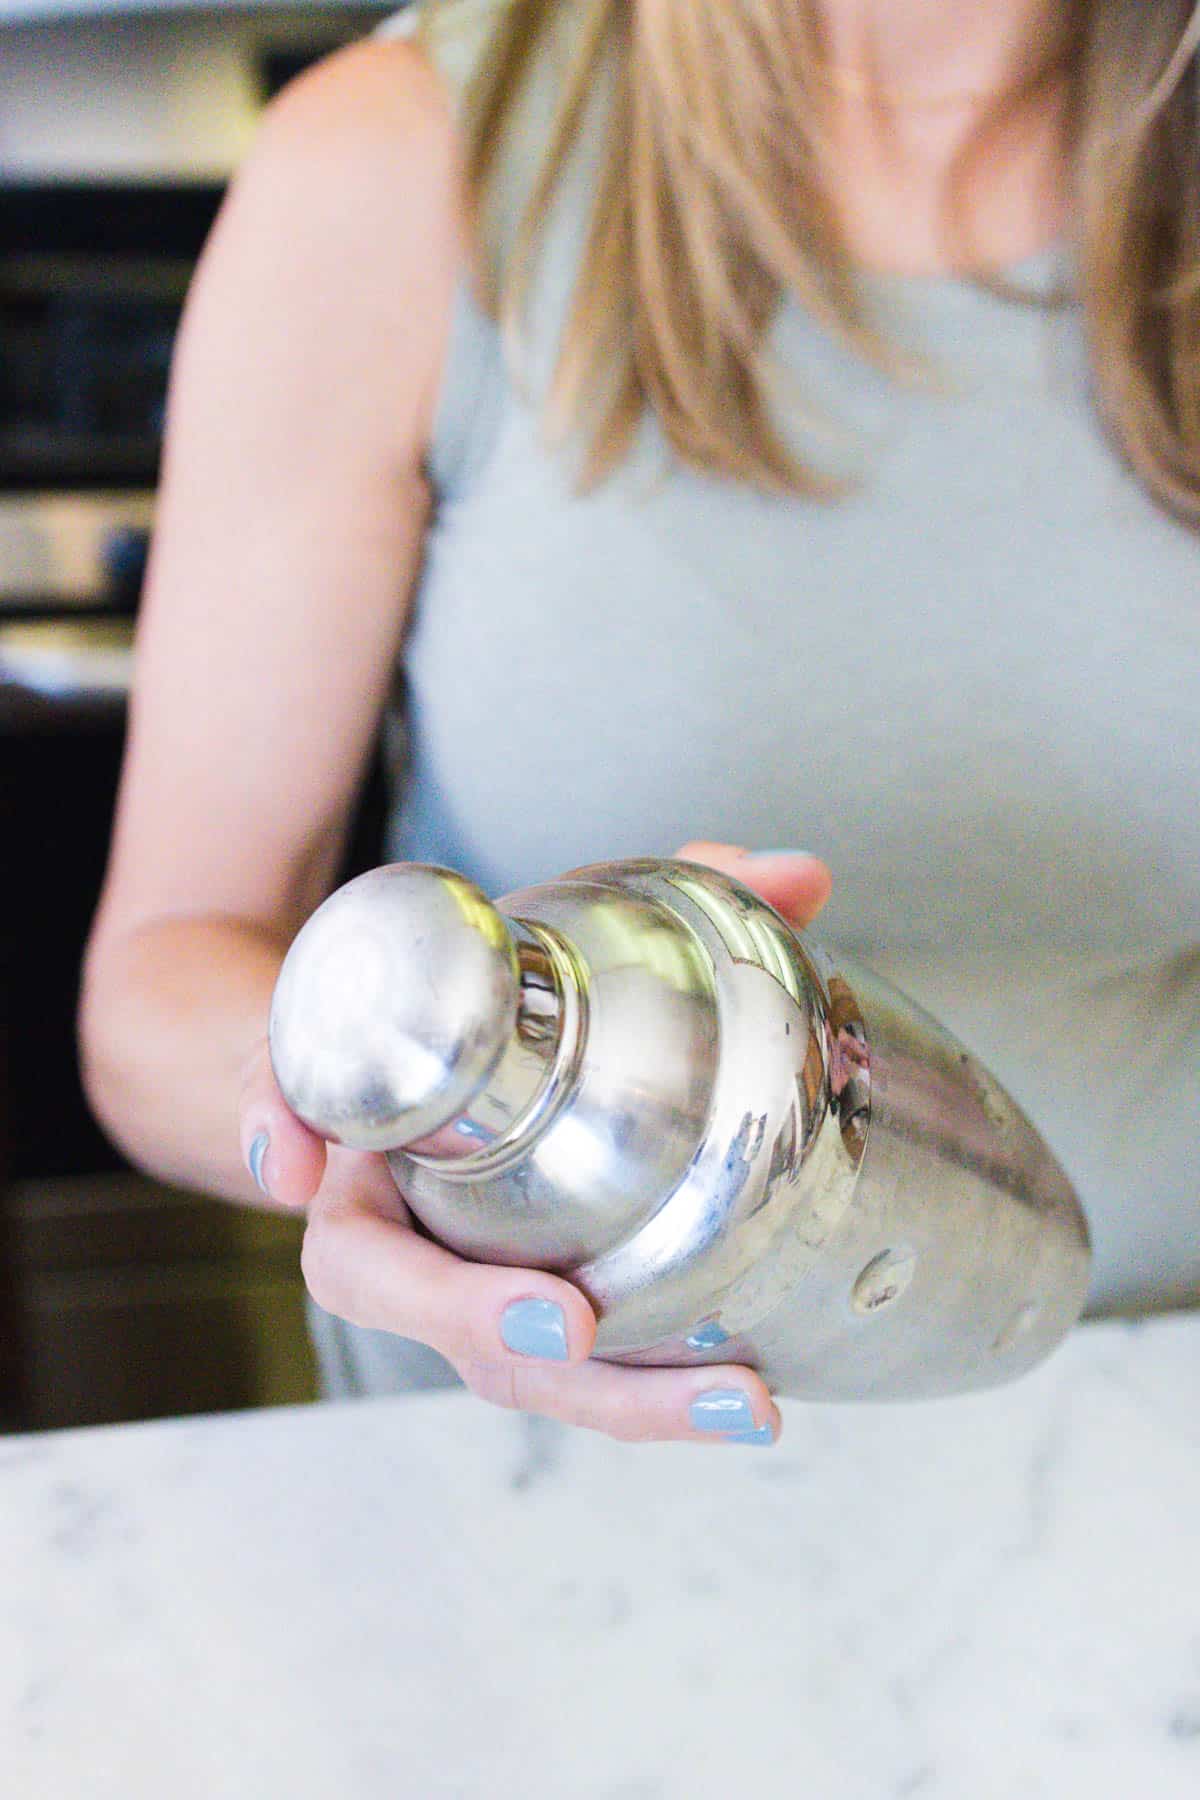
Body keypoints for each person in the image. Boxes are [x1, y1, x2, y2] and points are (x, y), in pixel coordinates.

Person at [78, 0, 1200, 1446]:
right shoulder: (399, 164)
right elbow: (160, 977)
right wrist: (368, 1122)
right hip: (542, 1508)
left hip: (1143, 1458)